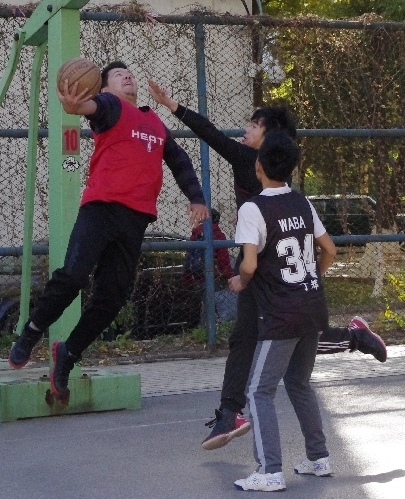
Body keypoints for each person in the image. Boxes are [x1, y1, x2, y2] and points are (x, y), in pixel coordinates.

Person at [147, 80, 387, 449]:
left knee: (282, 338)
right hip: (263, 261)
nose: (246, 129)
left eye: (254, 125)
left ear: (269, 140)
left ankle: (352, 338)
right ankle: (231, 411)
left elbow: (210, 133)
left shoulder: (257, 165)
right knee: (254, 336)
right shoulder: (270, 168)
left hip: (269, 265)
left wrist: (171, 105)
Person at [8, 61, 209, 398]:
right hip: (100, 210)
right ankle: (32, 330)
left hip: (136, 219)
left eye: (129, 72)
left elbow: (180, 161)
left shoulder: (155, 122)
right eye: (117, 75)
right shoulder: (112, 106)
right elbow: (94, 108)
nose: (127, 75)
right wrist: (77, 106)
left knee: (112, 298)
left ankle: (68, 353)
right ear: (104, 88)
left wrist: (197, 198)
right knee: (73, 276)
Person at [232, 132, 335, 492]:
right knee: (298, 383)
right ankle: (319, 458)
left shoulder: (252, 209)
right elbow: (330, 249)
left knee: (258, 390)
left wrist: (241, 281)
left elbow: (248, 264)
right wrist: (310, 279)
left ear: (258, 165)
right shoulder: (302, 202)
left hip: (281, 314)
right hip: (312, 306)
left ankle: (270, 470)